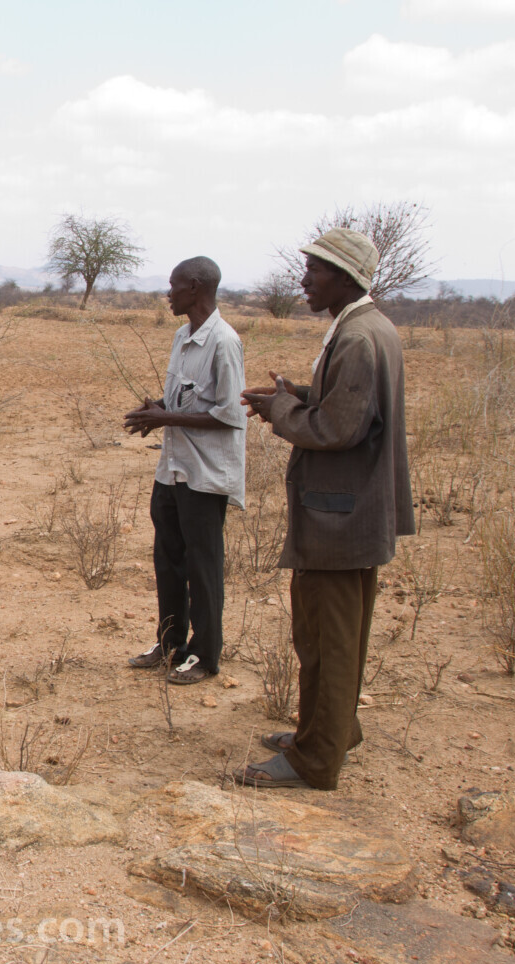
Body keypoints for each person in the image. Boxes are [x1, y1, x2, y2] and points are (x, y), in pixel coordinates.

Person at [237, 227, 413, 790]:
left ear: (344, 277)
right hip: (354, 512)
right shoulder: (367, 328)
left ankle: (316, 759)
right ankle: (330, 731)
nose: (305, 278)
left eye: (314, 269)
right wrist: (298, 396)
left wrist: (283, 409)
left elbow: (337, 428)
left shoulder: (359, 337)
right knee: (337, 636)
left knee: (326, 641)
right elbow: (351, 409)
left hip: (340, 516)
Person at [123, 256, 246, 685]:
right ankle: (170, 642)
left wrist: (167, 419)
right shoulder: (181, 335)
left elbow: (229, 414)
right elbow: (187, 400)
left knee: (203, 566)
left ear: (194, 288)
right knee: (168, 560)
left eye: (173, 285)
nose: (168, 293)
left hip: (204, 473)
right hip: (172, 469)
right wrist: (159, 408)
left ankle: (205, 654)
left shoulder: (224, 342)